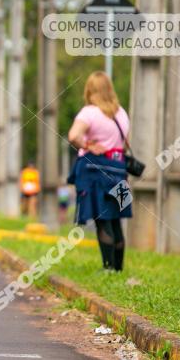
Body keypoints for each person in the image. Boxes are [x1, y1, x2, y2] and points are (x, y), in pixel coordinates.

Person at [67, 71, 132, 272]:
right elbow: (124, 144)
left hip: (96, 172)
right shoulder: (121, 113)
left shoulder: (90, 112)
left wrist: (88, 144)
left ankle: (108, 267)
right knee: (115, 219)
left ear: (90, 90)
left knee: (102, 219)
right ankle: (118, 268)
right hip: (119, 171)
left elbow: (73, 135)